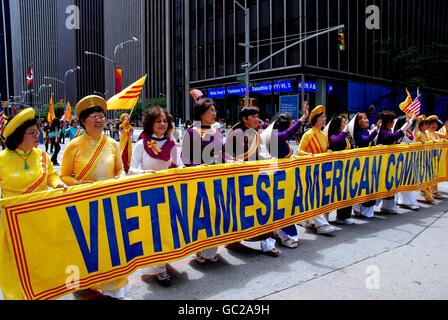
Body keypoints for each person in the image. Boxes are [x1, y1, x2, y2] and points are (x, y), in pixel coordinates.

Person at [60, 95, 128, 300]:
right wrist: (79, 185)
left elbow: (120, 170)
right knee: (88, 247)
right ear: (82, 121)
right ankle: (87, 282)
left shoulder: (112, 143)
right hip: (84, 204)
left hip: (110, 203)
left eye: (101, 116)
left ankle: (114, 288)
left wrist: (118, 180)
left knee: (112, 246)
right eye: (93, 117)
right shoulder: (74, 145)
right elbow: (62, 176)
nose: (99, 120)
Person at [0, 108, 66, 300]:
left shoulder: (43, 156)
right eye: (32, 133)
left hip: (41, 223)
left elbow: (52, 177)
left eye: (37, 131)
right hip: (13, 226)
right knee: (17, 268)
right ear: (19, 136)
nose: (37, 135)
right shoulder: (2, 160)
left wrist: (57, 184)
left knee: (42, 264)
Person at [129, 107, 178, 287]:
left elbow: (178, 165)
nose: (163, 124)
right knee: (152, 232)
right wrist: (144, 173)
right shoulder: (142, 144)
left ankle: (162, 262)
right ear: (150, 123)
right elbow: (130, 169)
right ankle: (159, 268)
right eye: (158, 121)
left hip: (167, 193)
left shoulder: (171, 143)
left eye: (165, 121)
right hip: (147, 194)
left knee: (167, 230)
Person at [225, 106, 282, 257]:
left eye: (258, 116)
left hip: (256, 177)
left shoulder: (256, 134)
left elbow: (259, 154)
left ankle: (267, 244)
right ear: (245, 119)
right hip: (239, 179)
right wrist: (234, 161)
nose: (258, 119)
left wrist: (271, 160)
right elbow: (225, 155)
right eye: (254, 116)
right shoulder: (235, 134)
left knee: (263, 208)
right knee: (237, 211)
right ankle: (233, 239)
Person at [181, 97, 224, 263]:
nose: (214, 113)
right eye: (210, 111)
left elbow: (223, 154)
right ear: (201, 114)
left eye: (214, 110)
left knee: (215, 214)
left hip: (216, 180)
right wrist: (201, 165)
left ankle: (210, 250)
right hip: (199, 181)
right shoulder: (192, 132)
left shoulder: (217, 131)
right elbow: (185, 158)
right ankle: (199, 249)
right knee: (201, 215)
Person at [262, 102, 309, 248]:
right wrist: (303, 118)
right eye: (291, 122)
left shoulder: (281, 138)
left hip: (286, 178)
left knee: (286, 207)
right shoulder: (276, 135)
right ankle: (284, 235)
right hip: (278, 178)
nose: (293, 124)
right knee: (282, 208)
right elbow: (286, 134)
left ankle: (279, 232)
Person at [297, 105, 337, 235]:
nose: (324, 119)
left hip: (322, 171)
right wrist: (307, 155)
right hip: (310, 171)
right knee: (313, 198)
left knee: (321, 197)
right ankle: (321, 225)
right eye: (322, 117)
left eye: (324, 116)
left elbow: (325, 150)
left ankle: (313, 221)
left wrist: (328, 152)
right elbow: (299, 151)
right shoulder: (308, 134)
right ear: (315, 119)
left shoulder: (323, 135)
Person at [377, 111, 416, 214]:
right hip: (384, 164)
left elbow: (396, 139)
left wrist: (409, 122)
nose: (392, 123)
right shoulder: (383, 132)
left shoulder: (388, 131)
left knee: (390, 185)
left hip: (391, 163)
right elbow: (394, 137)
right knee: (382, 186)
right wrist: (408, 123)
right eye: (390, 121)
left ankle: (387, 206)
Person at [327, 115, 357, 224]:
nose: (346, 124)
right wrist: (345, 130)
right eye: (344, 122)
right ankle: (339, 216)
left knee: (347, 193)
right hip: (338, 169)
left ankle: (344, 216)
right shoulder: (333, 136)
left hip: (348, 168)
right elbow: (335, 141)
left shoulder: (347, 136)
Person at [351, 113, 381, 218]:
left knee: (369, 187)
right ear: (358, 122)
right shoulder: (357, 133)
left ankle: (365, 210)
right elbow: (365, 140)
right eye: (364, 118)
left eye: (367, 118)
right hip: (360, 164)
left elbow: (371, 143)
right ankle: (357, 209)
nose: (367, 120)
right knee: (360, 187)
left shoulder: (366, 131)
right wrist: (376, 130)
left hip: (369, 164)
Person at [393, 116, 420, 211]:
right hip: (401, 160)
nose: (409, 122)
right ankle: (408, 201)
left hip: (410, 159)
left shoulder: (408, 132)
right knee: (403, 180)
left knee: (409, 179)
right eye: (406, 121)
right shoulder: (399, 132)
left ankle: (404, 201)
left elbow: (416, 136)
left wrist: (416, 124)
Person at [414, 115, 435, 204]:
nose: (427, 125)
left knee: (426, 178)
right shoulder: (418, 133)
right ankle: (429, 197)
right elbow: (415, 137)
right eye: (425, 124)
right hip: (420, 159)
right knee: (422, 178)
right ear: (420, 125)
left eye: (427, 124)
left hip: (426, 158)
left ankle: (429, 195)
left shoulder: (426, 133)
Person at [426, 115, 445, 199]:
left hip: (436, 156)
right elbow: (428, 142)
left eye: (435, 124)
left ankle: (435, 190)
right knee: (429, 174)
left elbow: (445, 136)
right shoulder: (426, 133)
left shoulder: (436, 133)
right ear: (428, 125)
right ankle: (429, 190)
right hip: (428, 156)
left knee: (435, 174)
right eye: (432, 124)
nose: (434, 126)